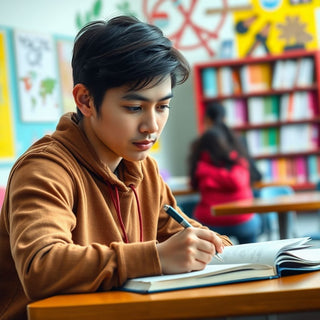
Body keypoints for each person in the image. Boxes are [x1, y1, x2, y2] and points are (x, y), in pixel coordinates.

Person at [0, 16, 232, 320]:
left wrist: (213, 245)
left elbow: (183, 234)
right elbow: (42, 267)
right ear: (85, 100)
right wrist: (157, 256)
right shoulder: (44, 169)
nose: (152, 126)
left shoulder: (143, 168)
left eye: (162, 107)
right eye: (134, 108)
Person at [188, 102, 262, 244]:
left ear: (207, 120)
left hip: (209, 221)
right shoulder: (238, 147)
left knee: (190, 211)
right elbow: (256, 175)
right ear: (225, 118)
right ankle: (253, 258)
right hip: (242, 220)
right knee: (254, 222)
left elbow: (193, 184)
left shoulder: (200, 150)